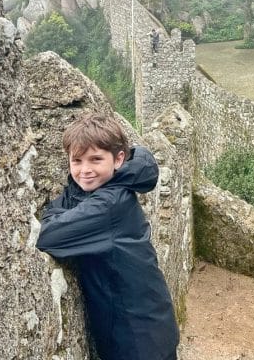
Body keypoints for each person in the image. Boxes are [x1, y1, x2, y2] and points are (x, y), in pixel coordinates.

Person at [36, 113, 179, 360]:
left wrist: (55, 215)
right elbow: (70, 196)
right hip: (143, 324)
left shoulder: (109, 204)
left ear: (118, 159)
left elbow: (48, 236)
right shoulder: (109, 186)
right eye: (77, 161)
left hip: (139, 339)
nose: (85, 170)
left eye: (96, 159)